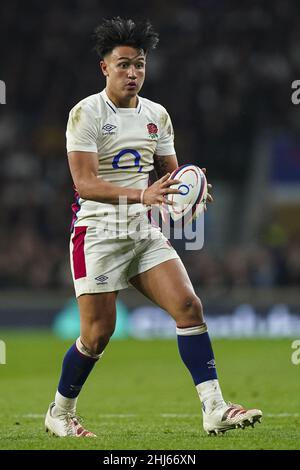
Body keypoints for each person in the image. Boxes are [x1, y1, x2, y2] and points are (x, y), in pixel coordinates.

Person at [45, 17, 262, 437]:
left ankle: (215, 408)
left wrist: (191, 191)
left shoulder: (157, 115)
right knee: (97, 334)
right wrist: (141, 195)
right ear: (104, 67)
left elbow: (171, 174)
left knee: (188, 307)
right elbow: (84, 183)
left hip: (142, 232)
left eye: (139, 64)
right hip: (98, 232)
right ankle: (59, 412)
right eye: (123, 64)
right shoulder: (85, 113)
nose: (133, 73)